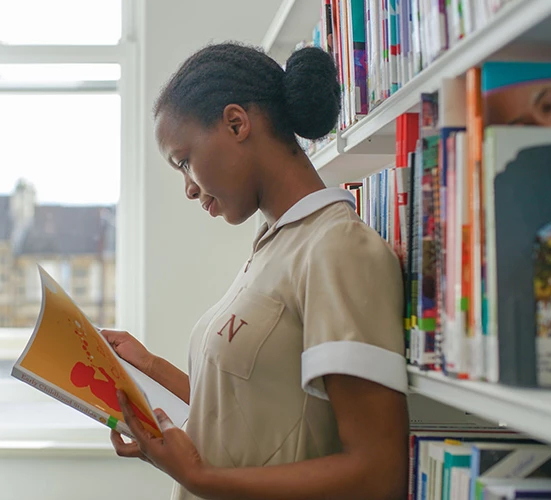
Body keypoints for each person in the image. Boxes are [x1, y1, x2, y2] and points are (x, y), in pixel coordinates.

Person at [100, 42, 410, 500]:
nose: (188, 188)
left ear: (236, 123)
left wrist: (199, 478)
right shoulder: (276, 246)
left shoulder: (337, 248)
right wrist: (149, 367)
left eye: (184, 161)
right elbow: (258, 414)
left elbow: (379, 472)